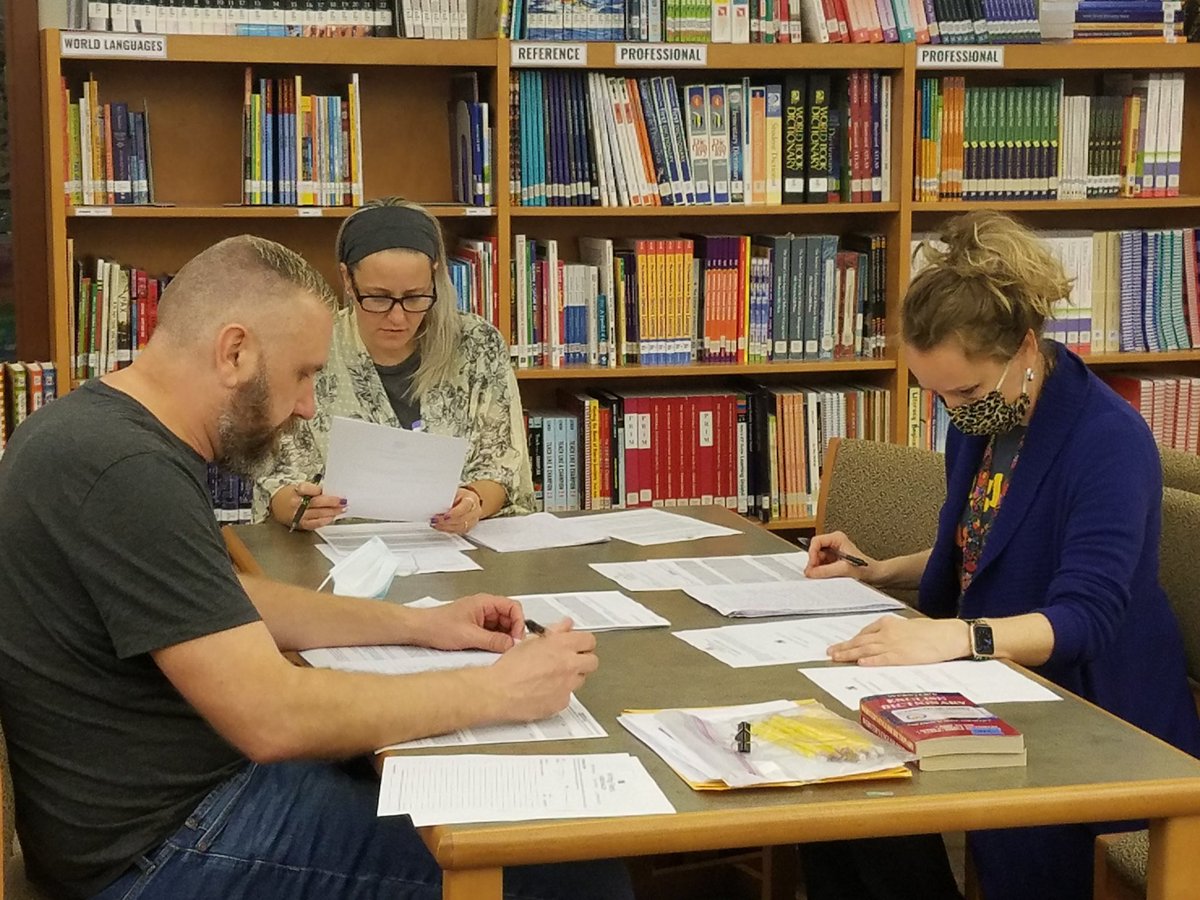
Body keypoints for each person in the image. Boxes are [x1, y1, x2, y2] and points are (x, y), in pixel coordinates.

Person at [0, 236, 631, 900]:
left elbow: (225, 600)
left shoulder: (94, 429)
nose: (307, 405)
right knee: (571, 874)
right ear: (235, 350)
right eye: (302, 374)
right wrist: (500, 691)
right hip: (163, 847)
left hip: (170, 804)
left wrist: (421, 627)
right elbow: (272, 717)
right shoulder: (125, 472)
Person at [801, 210, 1200, 900]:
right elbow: (990, 544)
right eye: (936, 393)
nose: (951, 410)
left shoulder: (1107, 440)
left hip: (1096, 716)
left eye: (964, 392)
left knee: (874, 804)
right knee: (838, 790)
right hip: (999, 684)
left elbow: (1086, 617)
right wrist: (880, 570)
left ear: (1024, 347)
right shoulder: (991, 418)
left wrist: (955, 636)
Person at [257, 198, 534, 535]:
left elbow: (502, 465)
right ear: (347, 279)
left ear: (433, 276)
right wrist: (296, 507)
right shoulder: (311, 348)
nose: (398, 317)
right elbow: (279, 479)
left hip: (456, 549)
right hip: (338, 552)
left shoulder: (477, 345)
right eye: (378, 297)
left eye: (415, 297)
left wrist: (473, 501)